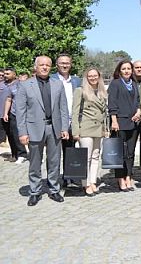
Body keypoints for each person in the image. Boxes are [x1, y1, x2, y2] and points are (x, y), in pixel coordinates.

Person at [15, 56, 69, 206]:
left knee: (54, 161)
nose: (45, 67)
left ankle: (54, 189)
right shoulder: (25, 85)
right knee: (35, 162)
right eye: (42, 65)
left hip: (54, 128)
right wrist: (22, 132)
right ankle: (35, 191)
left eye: (47, 65)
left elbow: (63, 108)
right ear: (36, 67)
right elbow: (21, 112)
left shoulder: (57, 84)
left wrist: (64, 127)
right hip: (34, 129)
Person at [71, 68, 108, 196]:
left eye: (95, 76)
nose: (93, 78)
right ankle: (85, 183)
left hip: (98, 128)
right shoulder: (80, 90)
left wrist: (105, 129)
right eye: (90, 76)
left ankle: (93, 181)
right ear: (86, 77)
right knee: (86, 158)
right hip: (85, 127)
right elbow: (75, 112)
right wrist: (75, 131)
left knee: (96, 156)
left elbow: (104, 113)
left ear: (99, 77)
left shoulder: (102, 91)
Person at [108, 60, 141, 192]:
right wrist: (114, 120)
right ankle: (120, 178)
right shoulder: (115, 84)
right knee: (119, 152)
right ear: (119, 71)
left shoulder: (133, 84)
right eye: (124, 69)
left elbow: (138, 101)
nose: (127, 71)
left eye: (129, 68)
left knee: (130, 152)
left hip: (133, 122)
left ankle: (128, 176)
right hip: (120, 122)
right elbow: (112, 103)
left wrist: (139, 111)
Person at [54, 53, 82, 187]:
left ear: (71, 64)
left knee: (70, 150)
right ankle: (53, 179)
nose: (65, 65)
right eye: (62, 63)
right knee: (54, 153)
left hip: (73, 121)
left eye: (67, 63)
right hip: (56, 121)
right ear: (57, 64)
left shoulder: (77, 81)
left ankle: (69, 176)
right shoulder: (51, 79)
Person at [2, 68, 28, 163]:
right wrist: (5, 113)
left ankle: (30, 154)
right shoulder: (10, 87)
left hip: (25, 113)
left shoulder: (22, 84)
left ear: (14, 75)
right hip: (13, 113)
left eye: (8, 73)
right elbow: (9, 99)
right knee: (14, 135)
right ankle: (19, 154)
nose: (5, 75)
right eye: (4, 74)